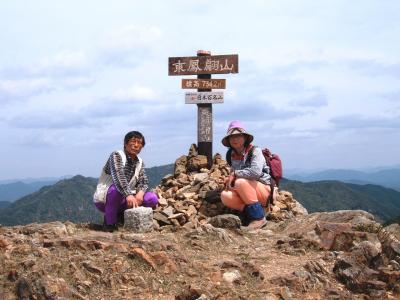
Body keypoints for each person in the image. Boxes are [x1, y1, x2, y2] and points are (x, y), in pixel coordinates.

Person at [93, 131, 158, 231]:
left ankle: (122, 217)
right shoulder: (116, 155)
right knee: (116, 190)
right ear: (125, 143)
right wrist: (128, 194)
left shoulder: (139, 162)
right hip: (106, 199)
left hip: (127, 200)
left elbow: (144, 180)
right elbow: (119, 177)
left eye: (139, 143)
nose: (136, 145)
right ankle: (110, 223)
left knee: (152, 198)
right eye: (133, 141)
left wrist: (140, 193)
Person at [220, 121, 271, 229]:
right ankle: (256, 213)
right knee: (225, 196)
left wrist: (235, 174)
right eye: (231, 137)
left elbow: (255, 173)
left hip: (264, 190)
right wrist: (229, 180)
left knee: (240, 182)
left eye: (238, 136)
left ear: (245, 138)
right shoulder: (231, 155)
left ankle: (258, 219)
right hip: (247, 191)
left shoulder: (255, 151)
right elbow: (234, 174)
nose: (234, 139)